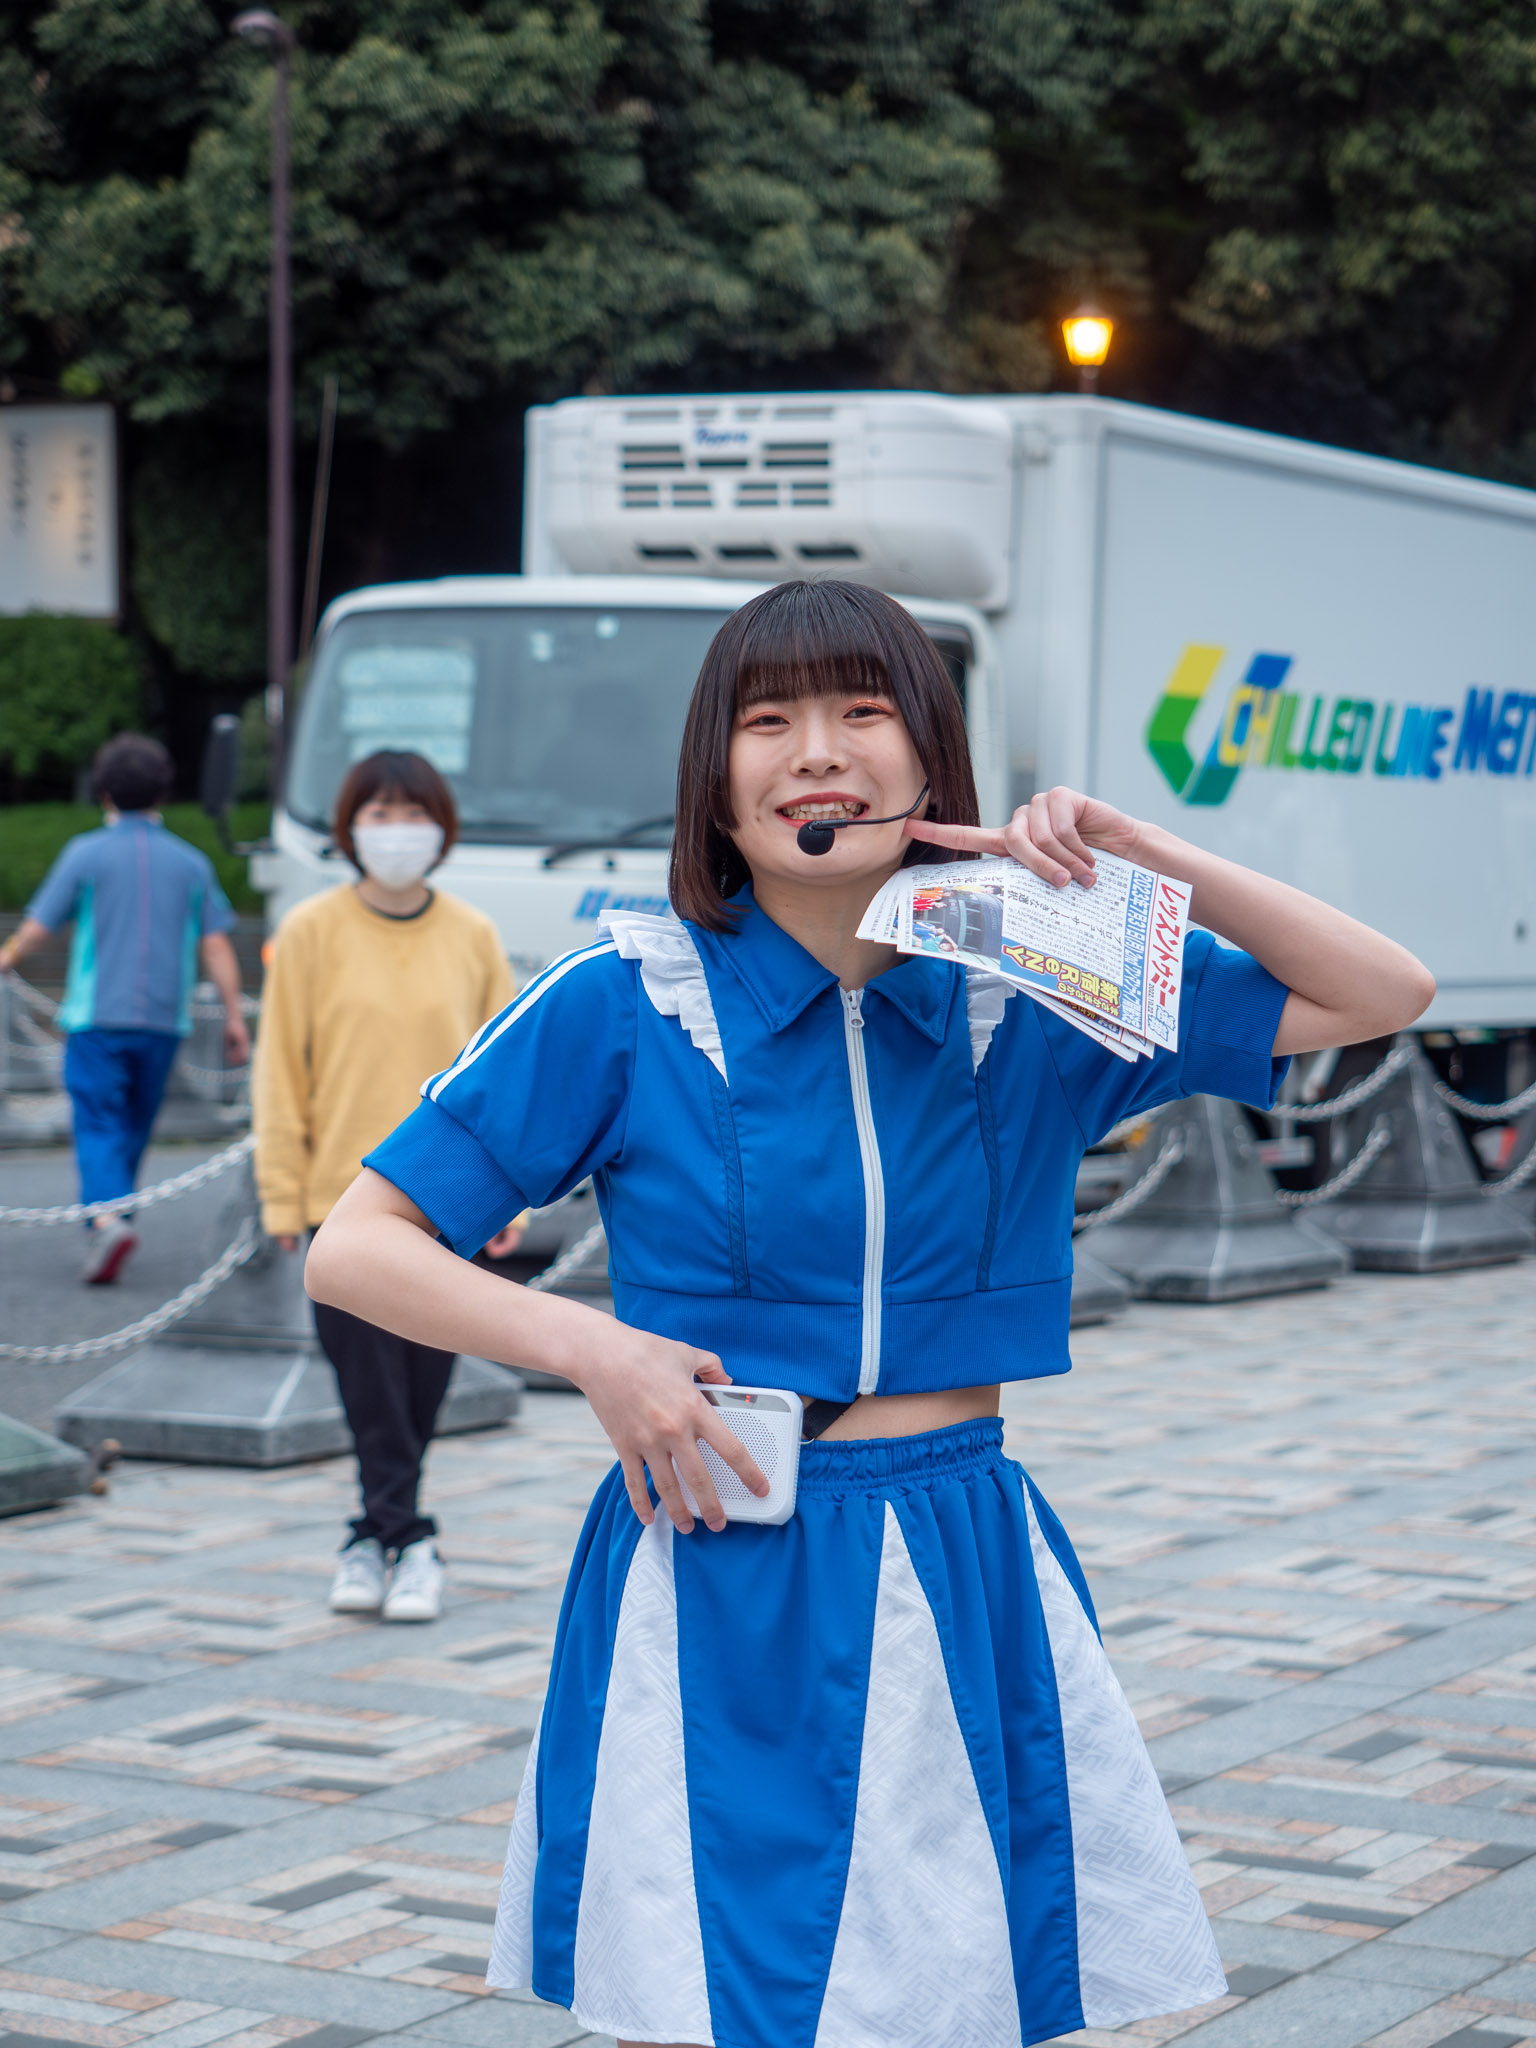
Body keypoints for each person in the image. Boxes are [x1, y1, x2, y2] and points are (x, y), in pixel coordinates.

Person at [306, 582, 1434, 2048]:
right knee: (734, 1996)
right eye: (767, 722)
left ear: (929, 763)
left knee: (963, 1991)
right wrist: (594, 1348)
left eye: (862, 712)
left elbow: (1379, 991)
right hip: (721, 1554)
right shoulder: (622, 994)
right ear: (715, 780)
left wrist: (1134, 858)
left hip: (964, 1547)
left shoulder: (1034, 980)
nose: (816, 753)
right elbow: (357, 1245)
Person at [252, 749, 520, 1625]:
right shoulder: (309, 932)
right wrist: (281, 1194)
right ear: (350, 827)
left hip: (447, 1208)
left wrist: (509, 1198)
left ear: (441, 828)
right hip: (344, 1207)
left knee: (419, 1387)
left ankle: (377, 1537)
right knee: (367, 1387)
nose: (396, 830)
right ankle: (408, 1539)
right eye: (379, 812)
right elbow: (280, 1072)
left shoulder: (473, 935)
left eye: (414, 812)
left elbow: (509, 1082)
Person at [0, 733, 249, 1285]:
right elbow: (215, 944)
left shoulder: (85, 853)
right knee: (135, 1124)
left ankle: (107, 1218)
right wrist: (233, 1016)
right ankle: (114, 1218)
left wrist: (7, 956)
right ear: (164, 789)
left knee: (96, 1121)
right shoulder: (191, 863)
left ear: (104, 791)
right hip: (164, 1021)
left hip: (97, 1017)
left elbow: (39, 928)